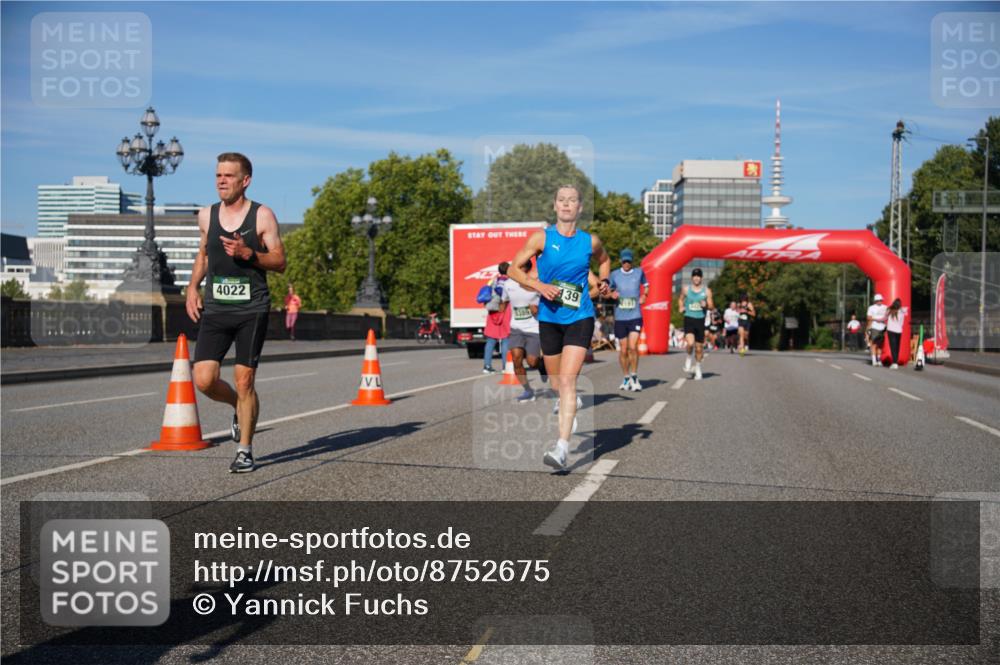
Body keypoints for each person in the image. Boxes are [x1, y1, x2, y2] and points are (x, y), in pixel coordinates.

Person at [187, 152, 286, 473]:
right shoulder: (207, 215)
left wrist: (249, 253)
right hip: (216, 307)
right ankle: (235, 407)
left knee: (244, 382)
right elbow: (203, 255)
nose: (221, 181)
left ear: (245, 181)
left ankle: (245, 450)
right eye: (218, 175)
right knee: (203, 380)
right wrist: (192, 288)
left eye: (228, 176)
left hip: (251, 309)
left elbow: (279, 262)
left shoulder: (262, 216)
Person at [507, 184, 611, 470]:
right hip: (549, 319)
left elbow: (604, 262)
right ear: (555, 206)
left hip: (580, 316)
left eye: (572, 201)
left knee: (567, 380)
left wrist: (604, 282)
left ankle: (562, 448)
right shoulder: (541, 238)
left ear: (579, 208)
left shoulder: (590, 242)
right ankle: (569, 404)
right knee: (555, 383)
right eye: (561, 200)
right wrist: (539, 285)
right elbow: (513, 269)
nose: (566, 205)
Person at [502, 257, 547, 402]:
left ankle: (542, 367)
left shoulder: (536, 284)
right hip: (516, 327)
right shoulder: (507, 284)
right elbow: (504, 302)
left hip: (534, 328)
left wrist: (537, 309)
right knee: (516, 359)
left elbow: (548, 302)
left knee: (532, 362)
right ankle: (528, 390)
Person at [608, 248, 649, 391]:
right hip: (620, 317)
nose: (626, 263)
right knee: (623, 350)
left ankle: (634, 376)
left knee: (633, 347)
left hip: (635, 316)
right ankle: (626, 378)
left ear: (632, 261)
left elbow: (647, 285)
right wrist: (611, 293)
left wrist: (645, 296)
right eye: (624, 261)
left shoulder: (639, 273)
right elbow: (607, 289)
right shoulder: (614, 274)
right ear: (621, 261)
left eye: (629, 261)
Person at [678, 268, 714, 380]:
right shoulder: (686, 289)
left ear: (701, 278)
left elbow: (712, 306)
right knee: (690, 343)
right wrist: (681, 306)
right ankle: (688, 358)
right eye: (695, 276)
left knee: (699, 349)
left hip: (700, 320)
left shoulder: (707, 291)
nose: (696, 278)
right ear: (692, 277)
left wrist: (706, 305)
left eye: (698, 276)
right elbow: (680, 299)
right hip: (689, 318)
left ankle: (698, 368)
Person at [482, 262, 511, 374]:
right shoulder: (509, 282)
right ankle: (505, 367)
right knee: (505, 340)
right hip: (505, 312)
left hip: (492, 312)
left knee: (490, 341)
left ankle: (487, 366)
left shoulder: (493, 281)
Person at [866, 293, 888, 367]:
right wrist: (876, 319)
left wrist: (884, 320)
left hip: (883, 327)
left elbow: (887, 316)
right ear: (875, 301)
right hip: (875, 327)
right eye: (878, 300)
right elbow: (868, 317)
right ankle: (874, 360)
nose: (880, 301)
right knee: (874, 344)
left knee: (880, 345)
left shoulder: (885, 307)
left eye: (881, 300)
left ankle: (879, 359)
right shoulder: (871, 308)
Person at [885, 298, 907, 369]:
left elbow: (885, 316)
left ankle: (894, 363)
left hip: (891, 330)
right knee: (897, 347)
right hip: (899, 330)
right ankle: (895, 361)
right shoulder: (902, 311)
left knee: (893, 347)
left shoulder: (889, 310)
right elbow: (902, 321)